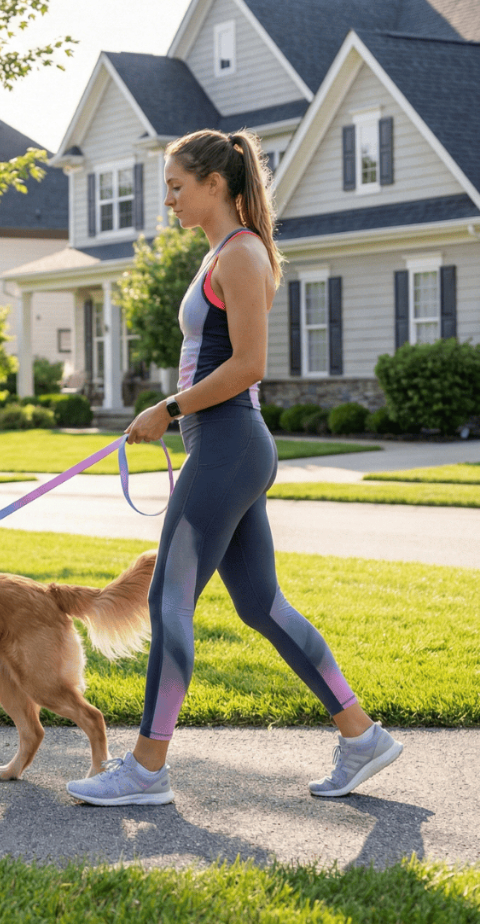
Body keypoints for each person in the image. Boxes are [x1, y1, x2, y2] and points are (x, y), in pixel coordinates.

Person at [66, 128, 402, 806]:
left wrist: (168, 408)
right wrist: (177, 415)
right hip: (221, 445)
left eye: (177, 187)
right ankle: (362, 736)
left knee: (169, 602)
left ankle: (147, 769)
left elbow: (249, 365)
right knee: (260, 604)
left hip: (229, 443)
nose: (168, 200)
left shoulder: (242, 253)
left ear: (214, 183)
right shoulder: (220, 254)